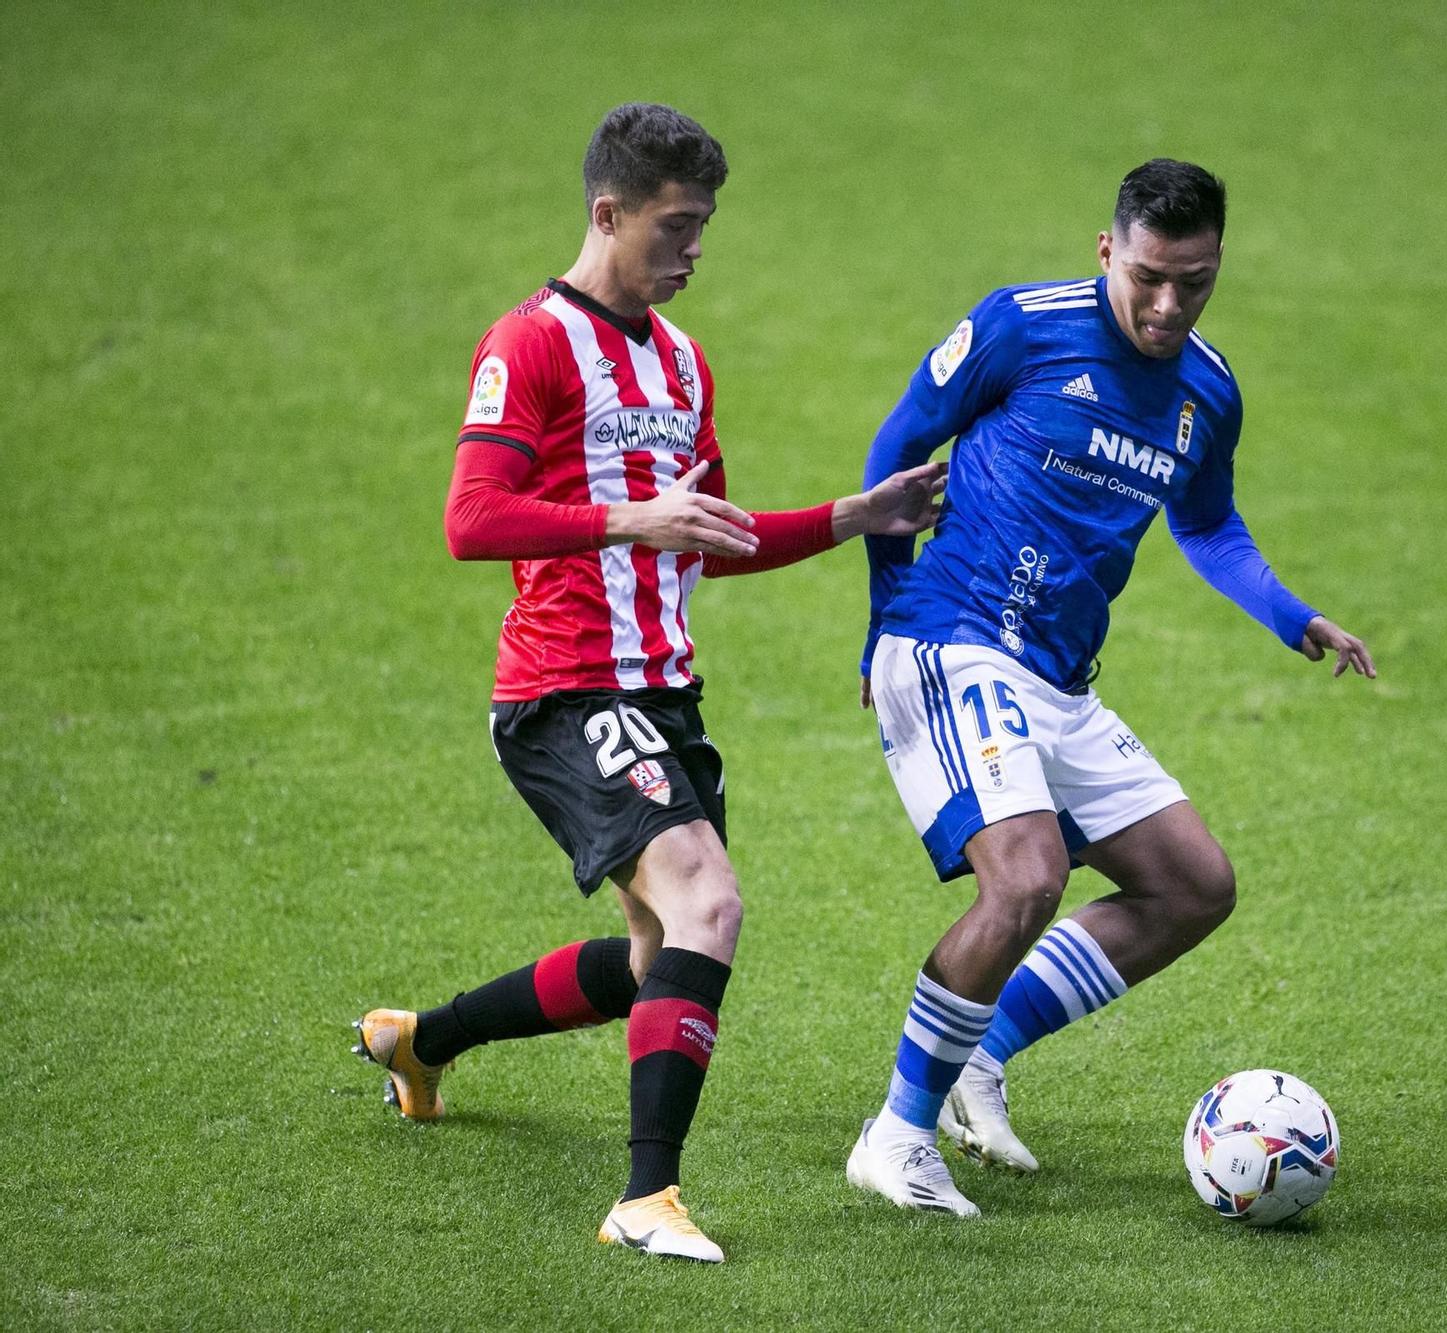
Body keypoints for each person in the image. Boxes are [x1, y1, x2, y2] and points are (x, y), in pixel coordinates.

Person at [350, 102, 943, 1263]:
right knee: (707, 905)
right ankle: (644, 1200)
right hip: (563, 692)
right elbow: (470, 520)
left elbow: (709, 531)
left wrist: (852, 517)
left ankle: (419, 1041)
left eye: (706, 225)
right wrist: (627, 516)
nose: (694, 248)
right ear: (606, 212)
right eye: (675, 224)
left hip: (663, 694)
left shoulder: (681, 360)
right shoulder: (526, 342)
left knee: (648, 963)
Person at [844, 159, 1375, 1216]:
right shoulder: (1020, 326)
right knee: (1027, 878)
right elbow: (898, 450)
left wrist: (1291, 615)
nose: (1167, 305)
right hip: (953, 637)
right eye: (1147, 278)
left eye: (1194, 281)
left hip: (1059, 679)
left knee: (1191, 885)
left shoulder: (1206, 389)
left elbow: (1206, 521)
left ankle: (976, 1058)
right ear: (1105, 251)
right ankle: (895, 1136)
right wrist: (882, 620)